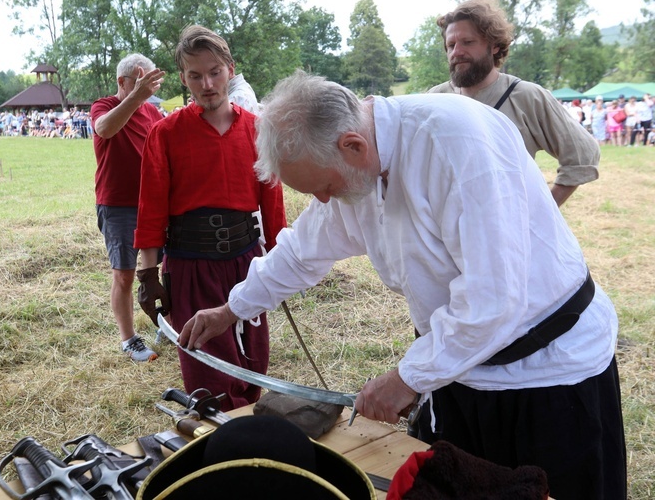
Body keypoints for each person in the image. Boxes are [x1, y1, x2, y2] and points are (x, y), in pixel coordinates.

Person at [179, 71, 627, 500]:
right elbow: (301, 251)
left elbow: (493, 299)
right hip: (458, 373)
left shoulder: (457, 142)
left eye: (325, 187)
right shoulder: (353, 165)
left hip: (548, 380)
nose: (322, 200)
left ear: (352, 146)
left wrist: (406, 379)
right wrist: (231, 309)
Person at [134, 25, 286, 410]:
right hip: (190, 267)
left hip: (246, 261)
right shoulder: (166, 133)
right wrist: (149, 275)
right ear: (183, 78)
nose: (207, 83)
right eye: (195, 75)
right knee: (209, 373)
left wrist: (280, 263)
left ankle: (247, 442)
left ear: (230, 69)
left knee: (253, 363)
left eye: (215, 71)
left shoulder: (256, 130)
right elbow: (151, 210)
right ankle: (219, 442)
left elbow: (272, 205)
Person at [428, 0, 600, 207]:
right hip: (447, 233)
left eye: (468, 42)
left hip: (507, 230)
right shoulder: (434, 99)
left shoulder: (527, 96)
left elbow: (583, 154)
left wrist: (542, 212)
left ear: (494, 46)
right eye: (451, 45)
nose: (457, 52)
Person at [91, 53, 165, 362]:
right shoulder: (105, 106)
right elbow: (104, 129)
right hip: (118, 205)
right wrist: (135, 98)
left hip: (153, 204)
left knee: (157, 270)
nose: (151, 89)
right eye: (144, 82)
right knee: (124, 274)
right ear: (123, 82)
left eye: (153, 82)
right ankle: (129, 339)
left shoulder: (153, 113)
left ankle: (167, 325)